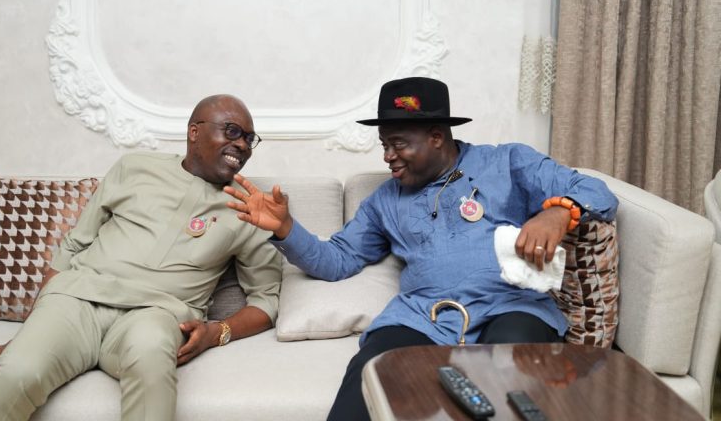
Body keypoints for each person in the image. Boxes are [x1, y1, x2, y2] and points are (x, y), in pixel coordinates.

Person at [224, 77, 618, 420]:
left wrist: (558, 213)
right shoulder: (384, 201)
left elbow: (595, 191)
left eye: (398, 144)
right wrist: (286, 229)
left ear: (436, 137)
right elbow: (337, 261)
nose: (388, 156)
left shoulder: (507, 163)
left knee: (515, 370)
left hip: (509, 305)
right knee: (369, 372)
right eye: (384, 145)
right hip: (424, 317)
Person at [0, 95, 282, 421]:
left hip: (157, 315)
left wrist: (217, 332)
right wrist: (27, 335)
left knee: (152, 367)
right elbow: (73, 246)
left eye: (249, 138)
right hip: (78, 300)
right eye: (232, 131)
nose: (242, 145)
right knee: (16, 372)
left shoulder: (250, 208)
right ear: (194, 132)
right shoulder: (134, 167)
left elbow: (267, 300)